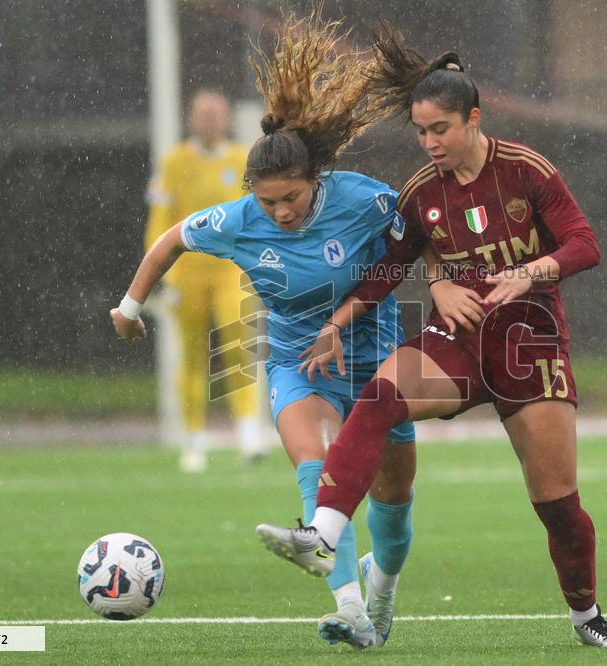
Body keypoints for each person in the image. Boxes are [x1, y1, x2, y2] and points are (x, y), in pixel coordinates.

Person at [256, 27, 607, 649]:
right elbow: (385, 271)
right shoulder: (421, 193)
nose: (430, 143)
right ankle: (323, 536)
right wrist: (337, 324)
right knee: (379, 396)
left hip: (527, 346)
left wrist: (530, 272)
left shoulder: (526, 170)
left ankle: (586, 616)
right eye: (420, 131)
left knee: (557, 504)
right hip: (454, 342)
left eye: (441, 129)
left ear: (474, 119)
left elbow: (584, 245)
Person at [113, 12, 416, 649]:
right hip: (294, 362)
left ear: (317, 181)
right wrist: (129, 306)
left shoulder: (362, 199)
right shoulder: (238, 218)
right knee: (317, 466)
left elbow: (416, 238)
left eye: (292, 199)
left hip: (377, 362)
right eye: (268, 201)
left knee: (394, 504)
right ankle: (351, 608)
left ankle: (381, 594)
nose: (280, 212)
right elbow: (172, 239)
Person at [145, 88, 269, 472]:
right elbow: (160, 223)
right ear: (190, 119)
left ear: (227, 118)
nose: (210, 120)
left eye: (216, 113)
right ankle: (193, 439)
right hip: (188, 272)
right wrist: (161, 270)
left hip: (230, 270)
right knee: (192, 355)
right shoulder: (174, 162)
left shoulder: (241, 160)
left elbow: (255, 218)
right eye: (203, 113)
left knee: (237, 348)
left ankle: (249, 432)